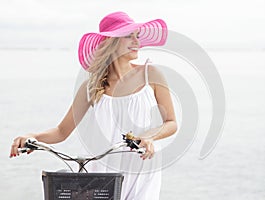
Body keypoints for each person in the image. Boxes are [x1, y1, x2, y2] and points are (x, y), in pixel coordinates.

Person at [10, 11, 177, 200]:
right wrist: (33, 137)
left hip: (141, 170)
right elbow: (61, 131)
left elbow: (171, 122)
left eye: (137, 35)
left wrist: (149, 136)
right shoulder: (92, 87)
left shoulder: (150, 74)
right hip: (103, 174)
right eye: (128, 36)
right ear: (111, 42)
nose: (137, 41)